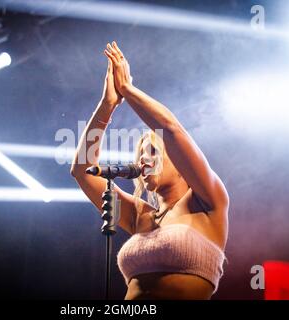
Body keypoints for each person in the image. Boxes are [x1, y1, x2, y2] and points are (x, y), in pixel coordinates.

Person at [70, 41, 229, 300]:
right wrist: (108, 104)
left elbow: (171, 129)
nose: (144, 159)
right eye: (140, 153)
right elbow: (81, 171)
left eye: (153, 151)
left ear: (180, 161)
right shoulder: (140, 215)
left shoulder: (208, 202)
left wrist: (127, 89)